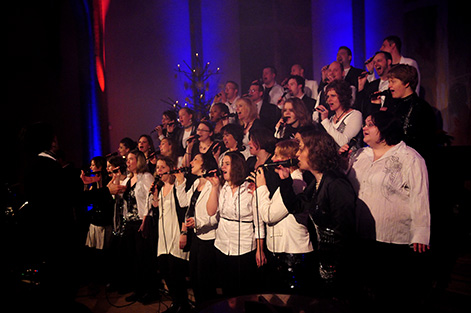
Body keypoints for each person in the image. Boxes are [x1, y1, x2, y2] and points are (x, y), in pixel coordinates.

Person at [344, 111, 431, 311]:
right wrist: (342, 160)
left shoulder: (409, 157)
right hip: (361, 235)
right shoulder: (360, 155)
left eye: (370, 124)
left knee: (389, 295)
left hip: (392, 239)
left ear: (385, 129)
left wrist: (420, 233)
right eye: (365, 124)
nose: (364, 128)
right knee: (363, 294)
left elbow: (419, 195)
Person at [276, 130, 356, 299]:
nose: (297, 154)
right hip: (325, 261)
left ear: (315, 151)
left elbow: (345, 232)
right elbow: (296, 206)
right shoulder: (318, 181)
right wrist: (285, 180)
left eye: (301, 149)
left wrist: (334, 268)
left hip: (338, 266)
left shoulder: (336, 184)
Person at [253, 139, 313, 294]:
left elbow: (268, 215)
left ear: (287, 160)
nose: (272, 159)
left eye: (276, 155)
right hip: (285, 252)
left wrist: (261, 187)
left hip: (292, 254)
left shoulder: (295, 182)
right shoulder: (289, 181)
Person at [206, 151, 266, 297]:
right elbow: (210, 211)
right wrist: (214, 188)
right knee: (227, 289)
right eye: (222, 164)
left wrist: (260, 249)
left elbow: (259, 223)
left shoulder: (249, 188)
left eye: (227, 163)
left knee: (244, 291)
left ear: (237, 166)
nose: (223, 167)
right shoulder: (222, 187)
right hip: (222, 244)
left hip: (244, 246)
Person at [174, 153, 219, 307]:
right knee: (194, 277)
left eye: (196, 159)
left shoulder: (213, 185)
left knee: (205, 280)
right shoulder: (196, 183)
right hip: (197, 236)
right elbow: (183, 203)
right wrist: (180, 182)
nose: (191, 162)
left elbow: (215, 216)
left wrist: (198, 222)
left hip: (209, 238)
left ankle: (209, 308)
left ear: (204, 164)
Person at [150, 156, 190, 312]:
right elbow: (157, 207)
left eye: (162, 167)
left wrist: (183, 232)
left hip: (175, 232)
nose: (159, 170)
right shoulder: (160, 188)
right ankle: (175, 302)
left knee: (176, 272)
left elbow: (184, 210)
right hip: (163, 235)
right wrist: (154, 195)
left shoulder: (177, 186)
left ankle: (183, 304)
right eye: (157, 167)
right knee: (164, 269)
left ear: (170, 168)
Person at [120, 149, 156, 303]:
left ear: (139, 160)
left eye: (131, 159)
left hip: (142, 222)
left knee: (144, 258)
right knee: (133, 258)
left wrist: (146, 218)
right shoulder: (128, 179)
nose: (127, 162)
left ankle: (150, 291)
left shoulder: (146, 177)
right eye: (127, 160)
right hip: (129, 223)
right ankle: (138, 290)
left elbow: (150, 198)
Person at [386, 64, 437, 162]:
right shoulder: (393, 105)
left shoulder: (421, 107)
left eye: (393, 81)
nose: (389, 85)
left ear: (406, 83)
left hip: (413, 161)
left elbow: (423, 142)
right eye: (389, 82)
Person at [316, 79, 363, 148]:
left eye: (333, 96)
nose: (329, 100)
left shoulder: (355, 115)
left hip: (352, 158)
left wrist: (325, 121)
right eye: (327, 96)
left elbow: (343, 142)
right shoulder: (331, 119)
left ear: (343, 96)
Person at [356, 51, 394, 119]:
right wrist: (361, 87)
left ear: (388, 62)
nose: (376, 64)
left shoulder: (396, 84)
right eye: (374, 62)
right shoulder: (372, 85)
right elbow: (361, 109)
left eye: (379, 61)